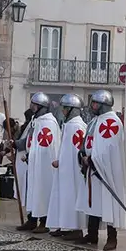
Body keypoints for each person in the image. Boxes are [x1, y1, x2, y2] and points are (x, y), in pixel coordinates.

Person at [77, 90, 126, 250]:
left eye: (95, 103)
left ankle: (112, 238)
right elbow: (88, 141)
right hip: (92, 169)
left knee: (109, 203)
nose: (92, 106)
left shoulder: (113, 122)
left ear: (103, 104)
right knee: (93, 203)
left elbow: (109, 149)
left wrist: (92, 159)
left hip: (108, 172)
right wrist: (83, 154)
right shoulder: (95, 121)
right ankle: (92, 235)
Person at [16, 92, 60, 233]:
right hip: (33, 163)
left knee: (43, 191)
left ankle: (44, 222)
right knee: (32, 191)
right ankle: (32, 219)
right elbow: (31, 141)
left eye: (34, 105)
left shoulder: (49, 123)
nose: (32, 107)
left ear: (41, 107)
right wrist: (17, 144)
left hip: (44, 165)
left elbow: (48, 146)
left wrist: (33, 156)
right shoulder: (36, 120)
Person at [47, 94, 87, 240]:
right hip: (65, 169)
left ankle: (75, 228)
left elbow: (77, 150)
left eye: (65, 108)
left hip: (73, 171)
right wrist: (60, 161)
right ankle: (65, 225)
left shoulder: (77, 126)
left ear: (72, 109)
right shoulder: (69, 124)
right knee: (63, 197)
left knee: (71, 197)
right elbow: (66, 148)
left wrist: (65, 163)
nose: (62, 111)